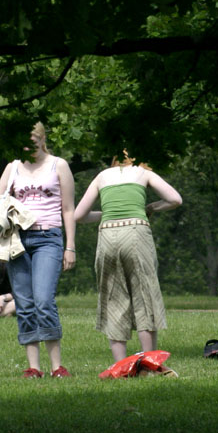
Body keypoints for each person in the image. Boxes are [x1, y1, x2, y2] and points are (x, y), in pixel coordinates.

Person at [0, 122, 75, 378]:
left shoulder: (58, 165)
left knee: (43, 299)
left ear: (42, 139)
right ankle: (33, 367)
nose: (29, 145)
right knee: (25, 302)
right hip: (16, 239)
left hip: (48, 238)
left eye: (33, 139)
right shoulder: (13, 167)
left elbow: (68, 209)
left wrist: (70, 246)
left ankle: (57, 367)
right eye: (24, 141)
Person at [73, 150, 182, 362]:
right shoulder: (143, 173)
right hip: (136, 232)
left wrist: (107, 214)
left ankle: (121, 364)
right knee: (144, 295)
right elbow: (175, 199)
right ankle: (149, 361)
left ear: (114, 160)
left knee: (113, 297)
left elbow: (79, 215)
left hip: (107, 235)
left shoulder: (102, 176)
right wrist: (151, 207)